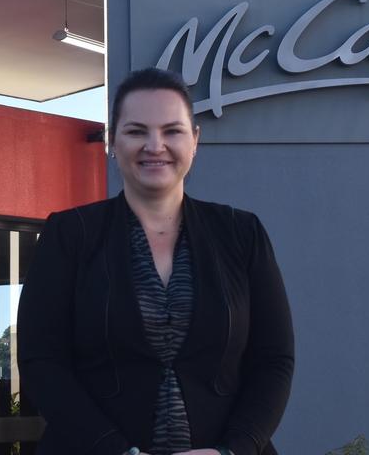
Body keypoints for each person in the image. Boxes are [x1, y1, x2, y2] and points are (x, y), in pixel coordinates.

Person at [17, 67, 293, 455]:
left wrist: (233, 450)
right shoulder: (69, 235)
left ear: (195, 141)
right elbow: (41, 361)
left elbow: (274, 359)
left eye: (172, 131)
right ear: (113, 141)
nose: (154, 145)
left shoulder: (241, 233)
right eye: (136, 131)